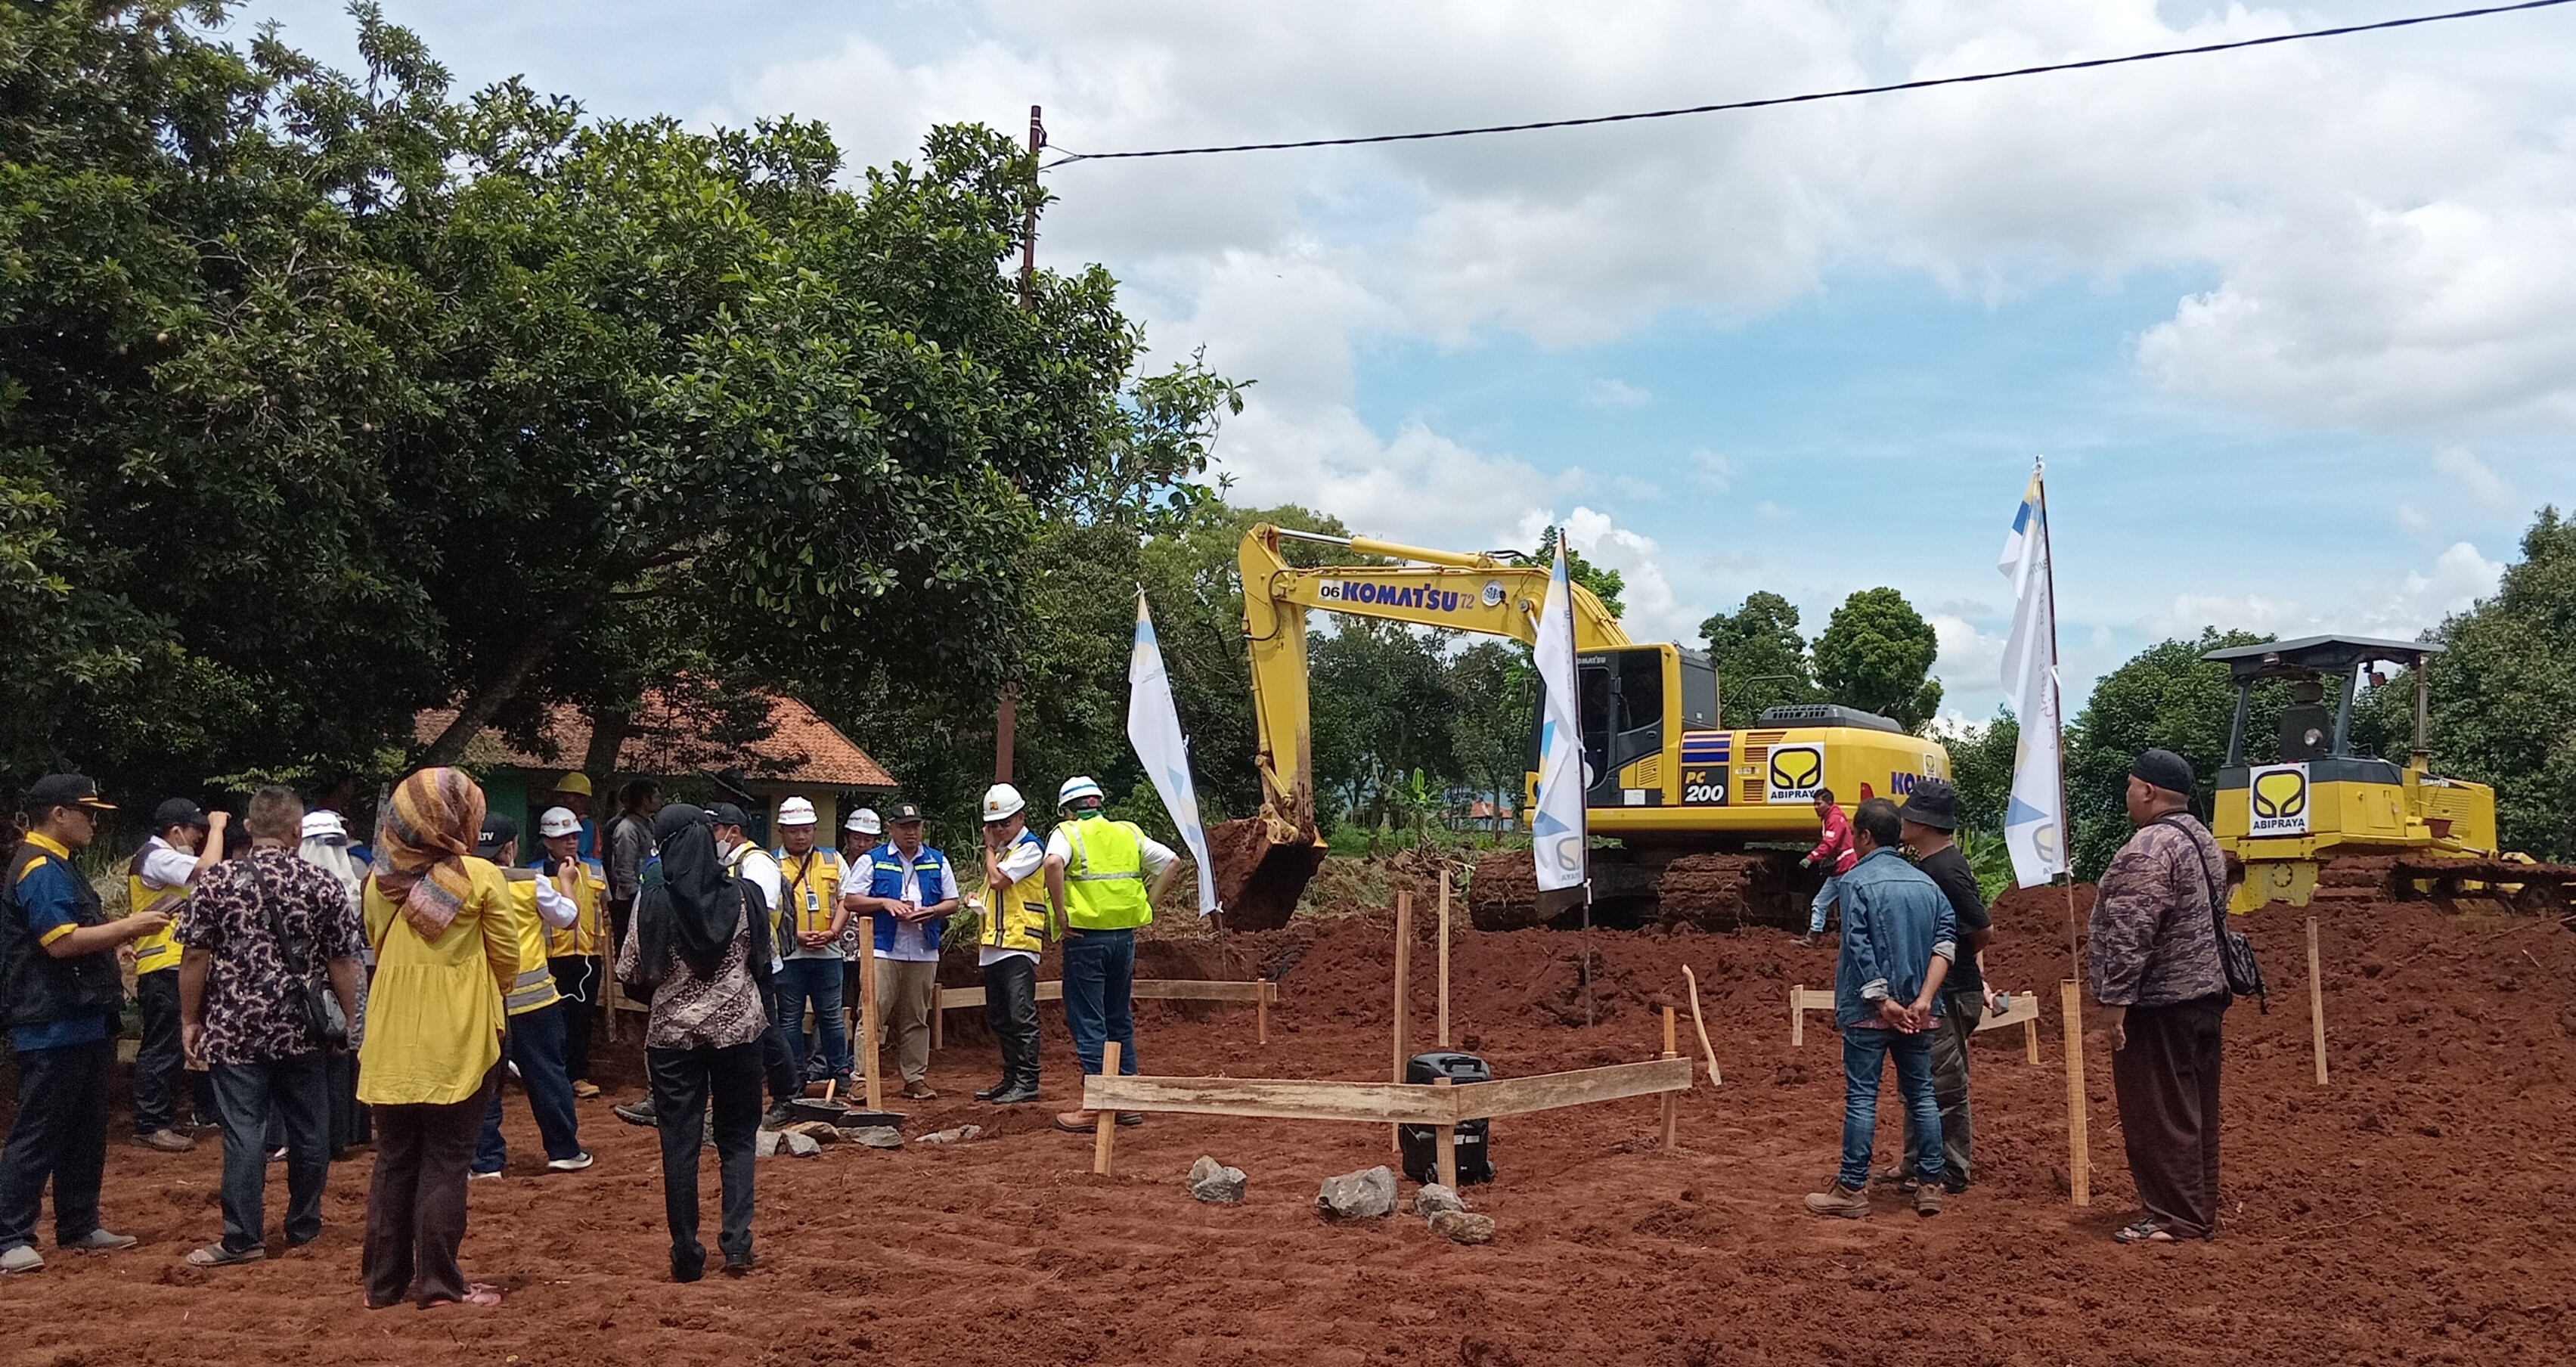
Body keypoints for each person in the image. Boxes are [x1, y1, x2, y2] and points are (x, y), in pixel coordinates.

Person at [175, 786, 366, 1267]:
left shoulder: (216, 883)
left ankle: (243, 1238)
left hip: (235, 1029)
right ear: (297, 831)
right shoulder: (323, 884)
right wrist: (351, 1024)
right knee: (309, 1129)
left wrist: (189, 1019)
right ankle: (304, 1225)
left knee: (245, 1133)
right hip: (303, 1029)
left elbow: (195, 956)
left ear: (250, 827)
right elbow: (343, 961)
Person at [356, 767, 522, 1310]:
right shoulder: (480, 876)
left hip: (390, 1034)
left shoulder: (377, 883)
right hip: (459, 1034)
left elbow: (379, 944)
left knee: (395, 1158)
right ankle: (440, 1284)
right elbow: (506, 959)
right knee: (447, 1160)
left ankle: (382, 1285)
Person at [0, 775, 162, 1274]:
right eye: (87, 811)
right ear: (58, 815)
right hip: (52, 1022)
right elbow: (60, 941)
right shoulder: (39, 868)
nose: (94, 821)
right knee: (40, 1130)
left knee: (84, 1129)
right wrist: (131, 926)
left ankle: (78, 1223)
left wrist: (115, 944)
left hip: (82, 1019)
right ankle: (10, 1236)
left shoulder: (57, 865)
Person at [616, 804, 770, 1281]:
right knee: (738, 1138)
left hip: (673, 1041)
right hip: (740, 1034)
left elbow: (631, 974)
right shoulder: (747, 895)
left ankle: (686, 1252)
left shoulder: (652, 900)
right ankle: (738, 1246)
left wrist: (671, 995)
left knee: (679, 1144)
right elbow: (763, 965)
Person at [2091, 748, 2232, 1245]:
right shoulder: (2203, 840)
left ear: (2147, 790)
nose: (2127, 795)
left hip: (2159, 1005)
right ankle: (2194, 1208)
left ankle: (2175, 1218)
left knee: (2157, 1112)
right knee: (2193, 1109)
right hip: (2204, 996)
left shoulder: (2147, 848)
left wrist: (2113, 1003)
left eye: (2130, 786)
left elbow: (2130, 932)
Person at [1803, 797, 1954, 1220]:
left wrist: (1882, 1001)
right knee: (1922, 1095)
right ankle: (1930, 1185)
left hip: (1869, 1013)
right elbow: (1945, 945)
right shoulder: (1929, 885)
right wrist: (1922, 1001)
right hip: (1921, 1014)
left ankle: (1851, 1189)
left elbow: (1859, 947)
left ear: (1865, 836)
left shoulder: (1855, 882)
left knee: (1862, 1098)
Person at [1043, 777, 1180, 1133]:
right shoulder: (1128, 833)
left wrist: (1061, 915)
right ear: (1100, 803)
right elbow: (1171, 861)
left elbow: (1054, 864)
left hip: (1086, 938)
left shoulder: (1067, 832)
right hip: (1124, 938)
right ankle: (1127, 1100)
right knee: (1118, 1015)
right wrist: (1148, 906)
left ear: (1068, 810)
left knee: (1089, 1019)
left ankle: (1099, 1103)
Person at [470, 814, 591, 1178]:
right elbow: (569, 918)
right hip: (535, 1001)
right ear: (511, 847)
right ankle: (564, 1150)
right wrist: (567, 882)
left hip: (483, 1002)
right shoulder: (529, 882)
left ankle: (486, 1161)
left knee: (483, 1082)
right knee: (548, 1076)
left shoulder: (465, 884)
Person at [1890, 778, 1989, 1195]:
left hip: (1949, 991)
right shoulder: (1936, 865)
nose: (1903, 820)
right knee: (1922, 1078)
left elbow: (1981, 927)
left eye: (1910, 814)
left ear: (1925, 823)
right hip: (1947, 987)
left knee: (1943, 1083)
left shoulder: (1945, 869)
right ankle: (1917, 1161)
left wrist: (1966, 970)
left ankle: (1951, 1168)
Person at [128, 798, 225, 1152]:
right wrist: (218, 827)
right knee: (163, 1048)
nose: (200, 837)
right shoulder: (156, 856)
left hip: (171, 966)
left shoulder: (160, 858)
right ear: (175, 831)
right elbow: (210, 869)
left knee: (170, 1046)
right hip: (163, 966)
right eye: (196, 830)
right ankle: (151, 1123)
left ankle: (161, 1117)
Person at [846, 802, 958, 1102]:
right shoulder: (873, 860)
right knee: (871, 1013)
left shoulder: (937, 860)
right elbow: (852, 900)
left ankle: (915, 1078)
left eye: (916, 826)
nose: (911, 832)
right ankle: (861, 1078)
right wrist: (885, 903)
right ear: (891, 829)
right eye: (905, 827)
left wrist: (931, 911)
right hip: (883, 947)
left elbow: (953, 902)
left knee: (917, 1017)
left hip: (923, 948)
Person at [710, 804, 798, 1127]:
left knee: (767, 1032)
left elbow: (759, 906)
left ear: (733, 831)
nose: (712, 836)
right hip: (732, 964)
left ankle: (787, 1096)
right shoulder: (724, 862)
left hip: (757, 962)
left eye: (716, 829)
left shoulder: (757, 862)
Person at [298, 809, 374, 1156]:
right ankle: (344, 1132)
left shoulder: (296, 880)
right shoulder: (353, 878)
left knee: (325, 1053)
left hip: (313, 981)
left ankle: (315, 1136)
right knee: (344, 1050)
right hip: (347, 975)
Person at [973, 783, 1050, 1105]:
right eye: (993, 825)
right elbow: (990, 890)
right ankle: (1011, 1076)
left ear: (1021, 817)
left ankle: (1028, 1080)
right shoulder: (1006, 851)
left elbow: (998, 881)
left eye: (1004, 823)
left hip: (1018, 941)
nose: (999, 830)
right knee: (1001, 1016)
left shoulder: (1030, 848)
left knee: (1020, 1014)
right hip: (994, 943)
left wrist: (988, 849)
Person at [770, 797, 852, 1091]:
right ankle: (795, 1076)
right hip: (789, 956)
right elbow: (766, 909)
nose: (800, 835)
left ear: (815, 829)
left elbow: (847, 898)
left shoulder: (833, 860)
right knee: (789, 1019)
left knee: (831, 1017)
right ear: (781, 831)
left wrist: (833, 932)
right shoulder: (770, 863)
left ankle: (840, 1072)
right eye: (793, 830)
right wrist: (795, 935)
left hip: (828, 953)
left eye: (806, 829)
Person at [531, 807, 609, 1099]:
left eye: (575, 835)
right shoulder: (534, 874)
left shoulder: (595, 870)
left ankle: (577, 1075)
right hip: (550, 958)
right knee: (551, 1020)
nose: (572, 841)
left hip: (588, 957)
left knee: (582, 1018)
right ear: (548, 841)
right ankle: (551, 1075)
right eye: (563, 837)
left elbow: (604, 910)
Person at [1793, 788, 1857, 948]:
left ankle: (1850, 941)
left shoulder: (1834, 819)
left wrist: (1811, 857)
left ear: (1829, 803)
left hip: (1845, 868)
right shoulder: (1831, 817)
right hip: (1839, 869)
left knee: (1845, 906)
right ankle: (1812, 938)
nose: (1816, 807)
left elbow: (1829, 844)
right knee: (1820, 902)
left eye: (1818, 804)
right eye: (1814, 804)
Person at [605, 781, 661, 954]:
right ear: (646, 801)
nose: (660, 800)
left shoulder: (649, 824)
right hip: (630, 900)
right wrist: (635, 896)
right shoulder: (627, 828)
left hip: (646, 895)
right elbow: (624, 868)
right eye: (657, 796)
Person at [549, 772, 597, 860]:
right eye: (561, 795)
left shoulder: (585, 825)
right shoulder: (555, 822)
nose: (562, 800)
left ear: (581, 799)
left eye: (568, 796)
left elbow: (574, 853)